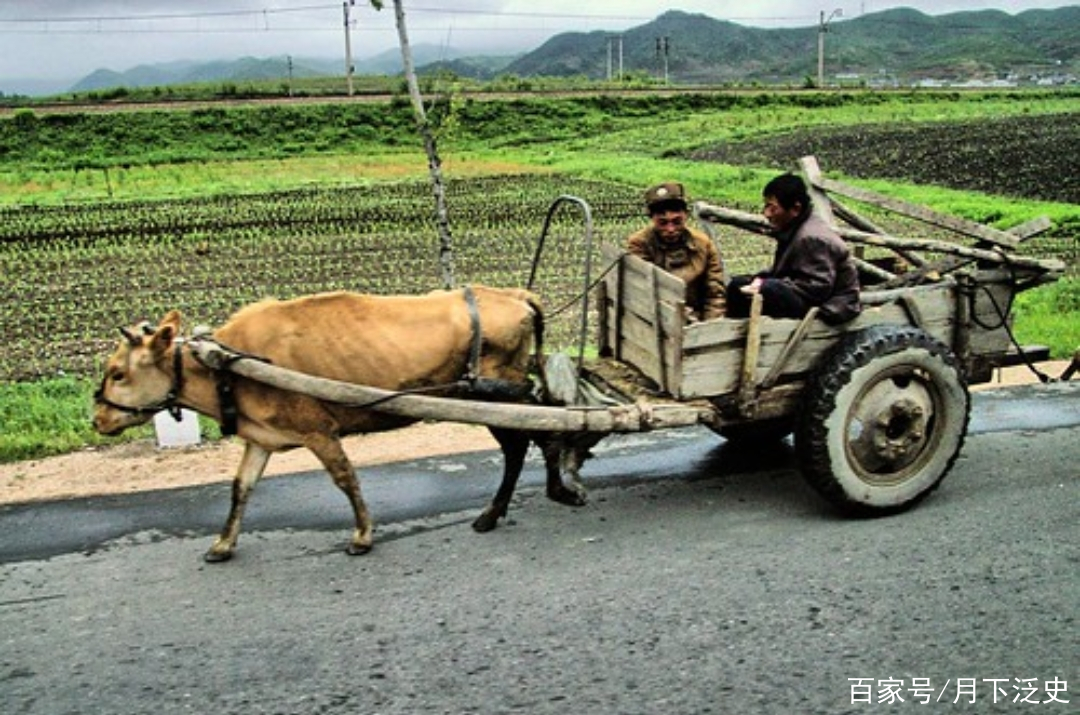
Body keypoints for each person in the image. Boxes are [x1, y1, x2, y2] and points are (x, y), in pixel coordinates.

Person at [726, 173, 860, 324]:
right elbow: (787, 271)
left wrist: (766, 285)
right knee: (739, 284)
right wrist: (758, 279)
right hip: (807, 296)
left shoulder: (812, 238)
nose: (766, 214)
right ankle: (736, 331)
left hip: (831, 306)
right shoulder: (794, 228)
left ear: (795, 209)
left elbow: (817, 289)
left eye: (772, 208)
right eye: (766, 206)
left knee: (769, 289)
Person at [626, 181, 726, 322]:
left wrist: (711, 326)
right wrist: (683, 319)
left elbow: (715, 292)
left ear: (686, 215)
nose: (670, 229)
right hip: (657, 316)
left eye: (677, 221)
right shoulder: (640, 244)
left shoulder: (703, 244)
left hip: (698, 316)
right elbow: (647, 289)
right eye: (663, 223)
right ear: (652, 219)